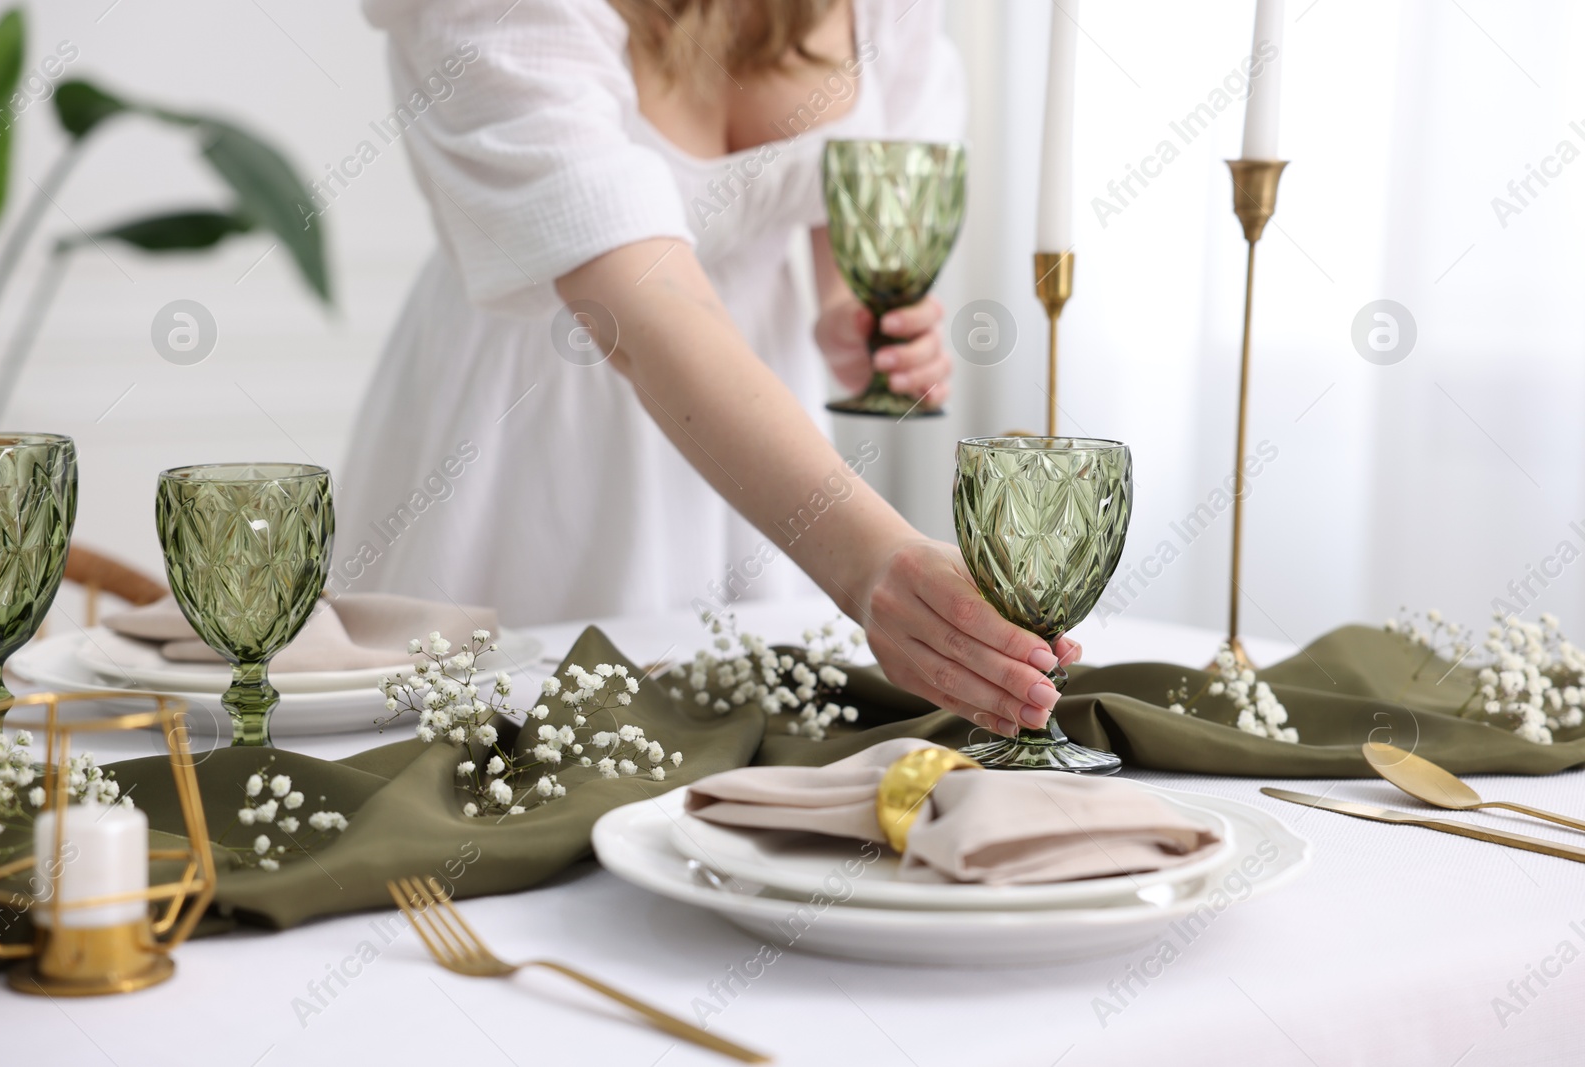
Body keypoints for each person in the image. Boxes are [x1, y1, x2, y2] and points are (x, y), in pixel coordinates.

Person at [343, 0, 1078, 737]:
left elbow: (857, 185)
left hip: (768, 440)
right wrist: (869, 558)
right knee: (523, 750)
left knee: (742, 764)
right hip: (533, 422)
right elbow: (641, 302)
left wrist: (853, 311)